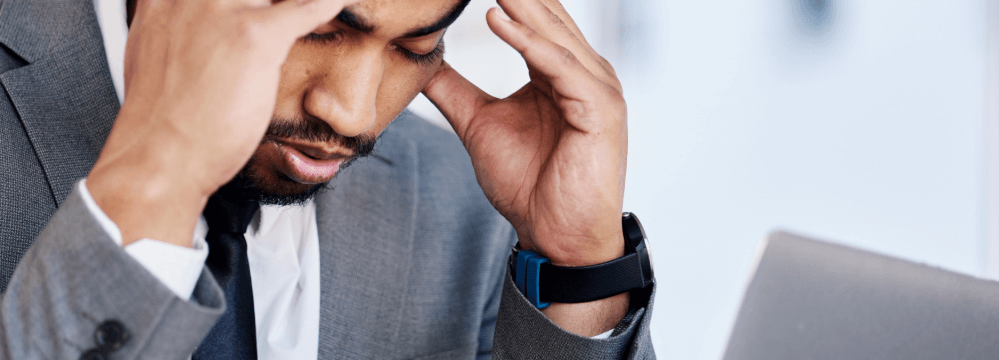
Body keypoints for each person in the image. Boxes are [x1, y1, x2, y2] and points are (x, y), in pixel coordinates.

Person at [0, 0, 655, 358]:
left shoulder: (464, 207)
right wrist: (158, 176)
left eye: (415, 47)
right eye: (320, 30)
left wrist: (578, 268)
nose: (352, 111)